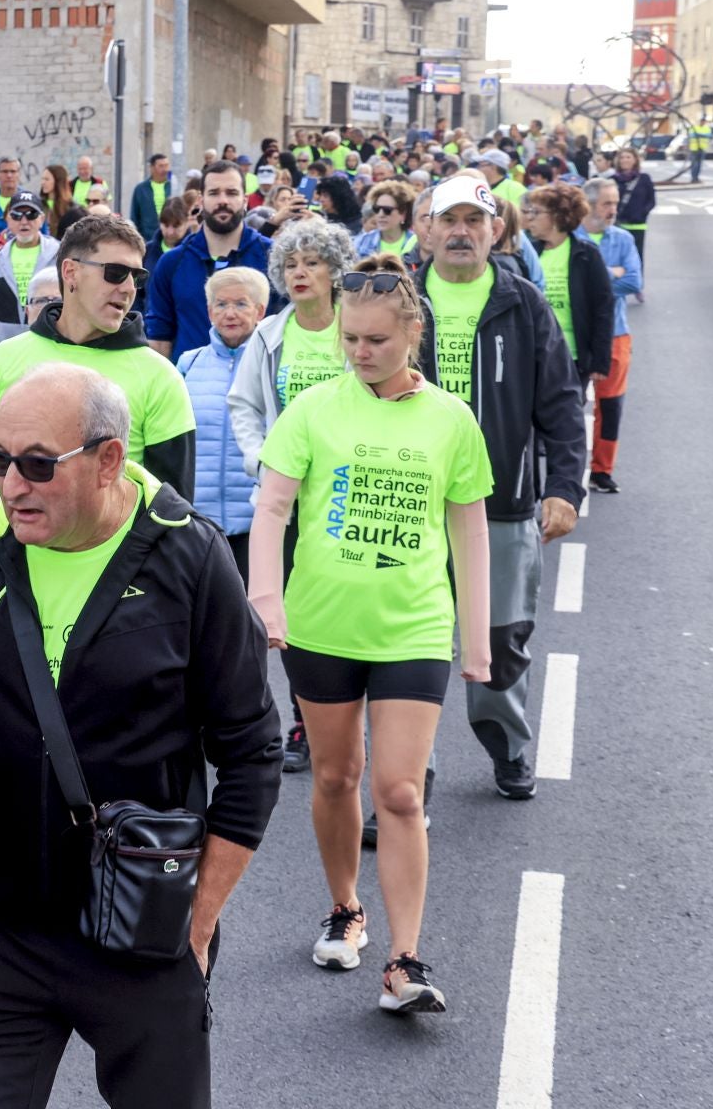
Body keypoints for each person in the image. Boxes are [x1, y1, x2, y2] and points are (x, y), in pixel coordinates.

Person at [0, 362, 280, 1109]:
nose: (10, 485)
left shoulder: (189, 557)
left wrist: (198, 924)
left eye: (37, 464)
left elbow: (252, 754)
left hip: (142, 929)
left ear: (108, 461)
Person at [249, 253, 493, 1015]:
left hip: (414, 627)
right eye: (351, 339)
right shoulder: (315, 409)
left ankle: (405, 959)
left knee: (396, 789)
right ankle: (346, 909)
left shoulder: (450, 420)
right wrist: (266, 598)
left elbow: (470, 532)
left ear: (412, 334)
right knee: (333, 779)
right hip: (322, 624)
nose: (360, 352)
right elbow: (273, 509)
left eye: (377, 341)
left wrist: (476, 637)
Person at [414, 176, 585, 801]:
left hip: (503, 506)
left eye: (474, 221)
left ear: (496, 232)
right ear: (426, 230)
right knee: (411, 643)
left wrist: (565, 485)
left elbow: (562, 404)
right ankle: (410, 775)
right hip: (409, 503)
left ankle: (508, 746)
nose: (460, 231)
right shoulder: (400, 300)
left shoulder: (524, 303)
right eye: (448, 219)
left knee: (499, 642)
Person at [0, 214, 196, 514]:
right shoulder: (4, 358)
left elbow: (172, 509)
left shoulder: (160, 376)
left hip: (118, 558)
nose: (129, 287)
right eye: (115, 272)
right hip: (12, 554)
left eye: (137, 276)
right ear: (71, 272)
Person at [228, 219, 351, 777]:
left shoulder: (353, 329)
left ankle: (350, 709)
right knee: (294, 613)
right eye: (292, 265)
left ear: (334, 271)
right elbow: (243, 405)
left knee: (343, 607)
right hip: (286, 501)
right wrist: (263, 462)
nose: (300, 273)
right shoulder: (269, 334)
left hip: (348, 494)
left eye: (313, 263)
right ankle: (305, 720)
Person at [176, 267, 269, 580]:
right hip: (199, 523)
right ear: (209, 311)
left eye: (241, 304)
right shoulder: (188, 363)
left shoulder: (272, 366)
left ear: (260, 311)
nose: (230, 313)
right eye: (221, 304)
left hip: (256, 522)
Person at [146, 161, 277, 358]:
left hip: (257, 383)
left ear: (245, 200)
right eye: (214, 193)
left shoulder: (272, 257)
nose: (222, 200)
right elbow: (159, 337)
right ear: (200, 200)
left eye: (232, 193)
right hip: (190, 384)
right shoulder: (172, 263)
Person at [578, 178, 643, 492]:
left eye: (615, 203)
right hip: (575, 336)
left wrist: (594, 282)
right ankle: (564, 470)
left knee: (611, 405)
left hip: (616, 335)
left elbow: (633, 282)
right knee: (567, 406)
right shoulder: (570, 239)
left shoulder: (624, 239)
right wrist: (611, 273)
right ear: (589, 206)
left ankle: (602, 470)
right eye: (607, 204)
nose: (613, 210)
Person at [521, 184, 615, 387]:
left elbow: (603, 307)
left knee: (568, 417)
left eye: (536, 212)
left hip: (572, 357)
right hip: (534, 355)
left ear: (557, 216)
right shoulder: (529, 253)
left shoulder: (586, 254)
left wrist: (600, 360)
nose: (529, 217)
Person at [0, 189, 58, 346]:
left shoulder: (58, 255)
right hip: (7, 346)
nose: (24, 221)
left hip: (50, 343)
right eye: (17, 215)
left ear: (41, 219)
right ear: (7, 219)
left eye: (31, 214)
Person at [356, 180, 420, 266]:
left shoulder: (416, 244)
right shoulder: (361, 242)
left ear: (403, 214)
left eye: (387, 210)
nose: (381, 214)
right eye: (377, 209)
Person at [129, 153, 173, 245]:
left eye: (166, 165)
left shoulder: (174, 187)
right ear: (152, 168)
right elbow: (135, 216)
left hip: (172, 237)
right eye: (161, 166)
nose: (165, 169)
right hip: (148, 238)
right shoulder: (141, 189)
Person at [42, 165, 79, 237]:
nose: (43, 182)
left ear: (58, 181)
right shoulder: (40, 204)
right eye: (42, 179)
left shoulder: (71, 208)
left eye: (47, 179)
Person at [685, 117, 712, 184]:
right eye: (701, 121)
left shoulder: (706, 128)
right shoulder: (694, 128)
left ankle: (696, 178)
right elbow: (692, 135)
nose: (702, 122)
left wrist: (699, 135)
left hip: (702, 148)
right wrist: (701, 135)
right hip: (694, 148)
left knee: (699, 165)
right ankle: (693, 178)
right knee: (695, 164)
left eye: (703, 121)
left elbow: (709, 136)